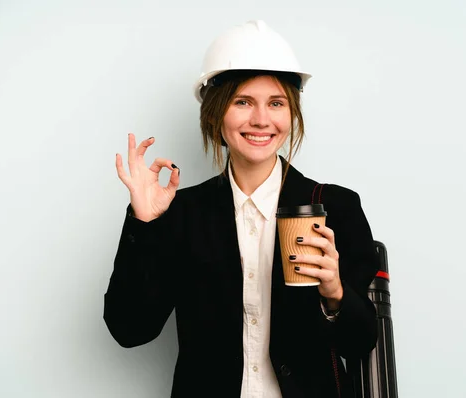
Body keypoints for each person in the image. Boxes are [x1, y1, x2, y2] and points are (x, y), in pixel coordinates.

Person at [103, 20, 379, 398]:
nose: (261, 119)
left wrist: (335, 294)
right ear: (216, 115)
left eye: (276, 103)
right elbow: (130, 329)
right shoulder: (185, 213)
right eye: (243, 102)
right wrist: (145, 223)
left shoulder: (334, 207)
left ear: (291, 114)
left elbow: (360, 343)